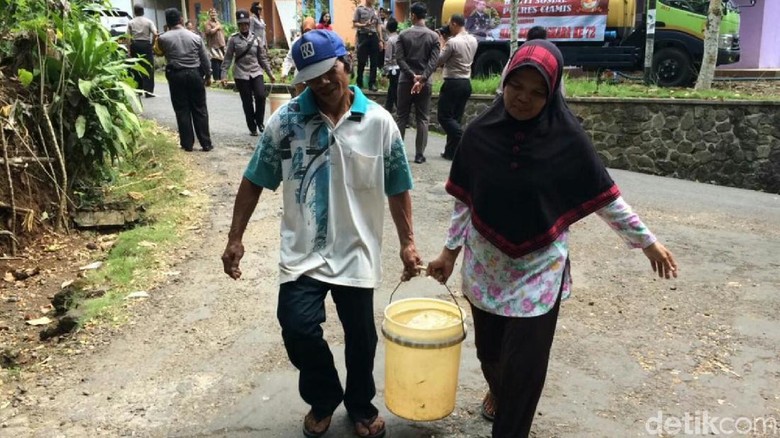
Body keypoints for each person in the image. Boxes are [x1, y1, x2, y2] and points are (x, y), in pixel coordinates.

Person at [426, 40, 678, 438]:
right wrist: (448, 253)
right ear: (504, 81)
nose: (523, 98)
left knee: (524, 369)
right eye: (516, 86)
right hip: (485, 267)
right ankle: (498, 391)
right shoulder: (478, 134)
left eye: (537, 91)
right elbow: (464, 202)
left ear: (552, 92)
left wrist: (647, 242)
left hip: (538, 272)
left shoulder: (569, 141)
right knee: (490, 356)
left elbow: (606, 199)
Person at [221, 29, 420, 438]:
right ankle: (325, 396)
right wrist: (235, 237)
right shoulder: (287, 121)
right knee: (297, 328)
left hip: (356, 251)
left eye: (330, 71)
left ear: (345, 63)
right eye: (313, 76)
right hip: (304, 252)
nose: (324, 82)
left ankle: (361, 405)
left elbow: (397, 185)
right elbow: (254, 179)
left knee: (361, 338)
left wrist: (408, 243)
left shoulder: (379, 123)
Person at [157, 8, 214, 152]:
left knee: (182, 109)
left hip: (176, 75)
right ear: (181, 19)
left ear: (167, 22)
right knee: (200, 109)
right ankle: (206, 143)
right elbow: (205, 59)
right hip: (195, 74)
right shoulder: (195, 37)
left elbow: (158, 52)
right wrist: (208, 75)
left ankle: (187, 144)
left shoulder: (163, 38)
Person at [396, 2, 440, 164]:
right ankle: (419, 155)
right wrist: (422, 78)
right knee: (423, 118)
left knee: (401, 117)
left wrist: (412, 76)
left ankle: (399, 153)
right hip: (425, 83)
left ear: (413, 15)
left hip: (405, 82)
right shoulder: (434, 36)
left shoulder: (403, 35)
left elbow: (399, 59)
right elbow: (434, 62)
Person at [221, 9, 276, 136]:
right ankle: (252, 127)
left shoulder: (256, 38)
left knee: (261, 96)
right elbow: (228, 58)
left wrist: (270, 74)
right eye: (241, 24)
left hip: (256, 71)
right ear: (238, 25)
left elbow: (262, 58)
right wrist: (223, 75)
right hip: (241, 74)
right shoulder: (233, 40)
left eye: (246, 23)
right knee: (247, 101)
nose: (244, 26)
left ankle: (260, 121)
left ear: (249, 24)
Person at [436, 14, 477, 160]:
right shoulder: (473, 40)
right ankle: (451, 153)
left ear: (454, 24)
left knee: (444, 117)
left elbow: (439, 60)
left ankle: (464, 136)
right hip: (466, 83)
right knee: (456, 118)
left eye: (449, 25)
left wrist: (442, 42)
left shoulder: (452, 42)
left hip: (453, 82)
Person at [127, 4, 158, 97]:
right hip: (146, 45)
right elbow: (155, 34)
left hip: (135, 45)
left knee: (136, 67)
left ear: (135, 12)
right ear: (143, 11)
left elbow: (127, 37)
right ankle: (148, 92)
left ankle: (139, 90)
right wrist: (152, 45)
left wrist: (129, 49)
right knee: (148, 67)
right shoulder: (148, 22)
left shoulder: (131, 22)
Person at [281, 17, 316, 97]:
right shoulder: (297, 42)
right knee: (301, 102)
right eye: (306, 31)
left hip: (314, 78)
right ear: (302, 30)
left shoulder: (317, 41)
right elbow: (289, 58)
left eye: (310, 30)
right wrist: (285, 72)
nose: (308, 33)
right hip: (300, 78)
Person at [352, 0, 383, 91]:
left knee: (374, 61)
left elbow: (379, 25)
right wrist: (364, 24)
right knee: (361, 61)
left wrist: (380, 40)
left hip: (373, 37)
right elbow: (355, 23)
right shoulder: (360, 9)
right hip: (363, 36)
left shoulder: (376, 10)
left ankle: (372, 84)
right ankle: (359, 83)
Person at [382, 18, 400, 113]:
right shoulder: (400, 38)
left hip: (393, 68)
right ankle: (388, 109)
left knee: (394, 91)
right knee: (392, 90)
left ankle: (402, 114)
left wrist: (385, 71)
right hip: (400, 68)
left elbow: (388, 57)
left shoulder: (390, 41)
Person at [204, 9, 227, 81]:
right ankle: (216, 79)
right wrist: (217, 27)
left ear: (217, 14)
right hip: (213, 46)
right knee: (215, 61)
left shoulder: (218, 22)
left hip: (221, 46)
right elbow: (209, 32)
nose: (213, 14)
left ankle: (221, 79)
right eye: (212, 13)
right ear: (209, 14)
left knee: (221, 62)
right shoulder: (208, 23)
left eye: (214, 13)